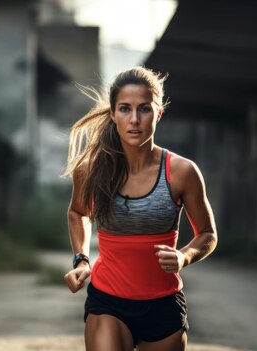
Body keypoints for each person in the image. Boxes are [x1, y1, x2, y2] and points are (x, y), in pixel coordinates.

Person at [63, 67, 218, 351]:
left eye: (144, 109)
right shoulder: (91, 171)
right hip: (108, 301)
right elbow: (78, 212)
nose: (134, 120)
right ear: (113, 114)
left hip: (163, 306)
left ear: (158, 113)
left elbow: (207, 234)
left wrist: (184, 257)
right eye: (125, 109)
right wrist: (82, 260)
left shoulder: (182, 172)